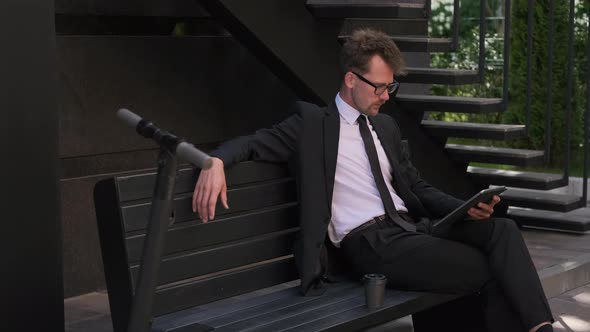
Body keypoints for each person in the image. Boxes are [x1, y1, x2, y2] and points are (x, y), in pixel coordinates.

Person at [192, 29, 554, 332]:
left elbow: (417, 187)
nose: (385, 97)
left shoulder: (385, 126)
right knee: (484, 269)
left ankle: (543, 327)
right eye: (379, 88)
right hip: (370, 245)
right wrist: (215, 161)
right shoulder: (312, 124)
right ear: (351, 79)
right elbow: (253, 144)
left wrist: (466, 207)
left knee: (501, 230)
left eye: (390, 88)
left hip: (411, 230)